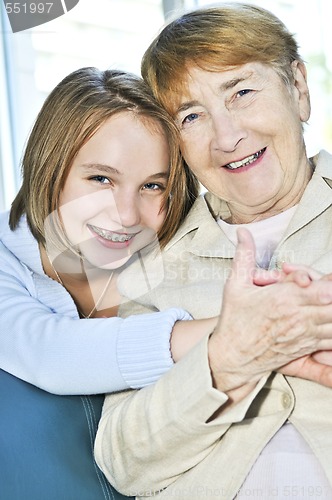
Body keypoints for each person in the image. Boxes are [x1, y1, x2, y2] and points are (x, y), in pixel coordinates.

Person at [94, 4, 332, 498]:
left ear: (299, 88)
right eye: (192, 115)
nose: (227, 137)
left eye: (242, 92)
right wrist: (226, 361)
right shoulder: (149, 262)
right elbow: (122, 460)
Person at [0, 66, 220, 499]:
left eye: (152, 186)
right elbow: (47, 351)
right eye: (101, 178)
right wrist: (238, 334)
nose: (126, 215)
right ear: (51, 167)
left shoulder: (182, 253)